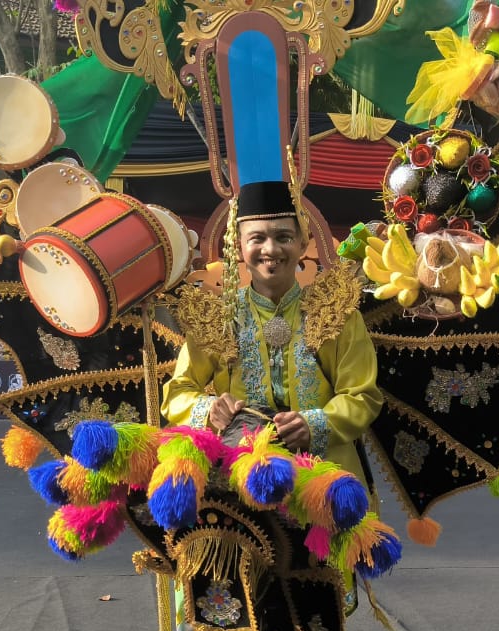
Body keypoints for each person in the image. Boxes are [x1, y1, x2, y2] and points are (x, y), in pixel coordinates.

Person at [162, 181, 382, 473]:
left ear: (303, 243)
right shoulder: (217, 317)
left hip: (328, 475)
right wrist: (208, 410)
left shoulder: (337, 312)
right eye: (257, 239)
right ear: (239, 247)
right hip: (242, 474)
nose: (271, 249)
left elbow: (362, 396)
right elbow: (178, 391)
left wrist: (315, 424)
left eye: (283, 237)